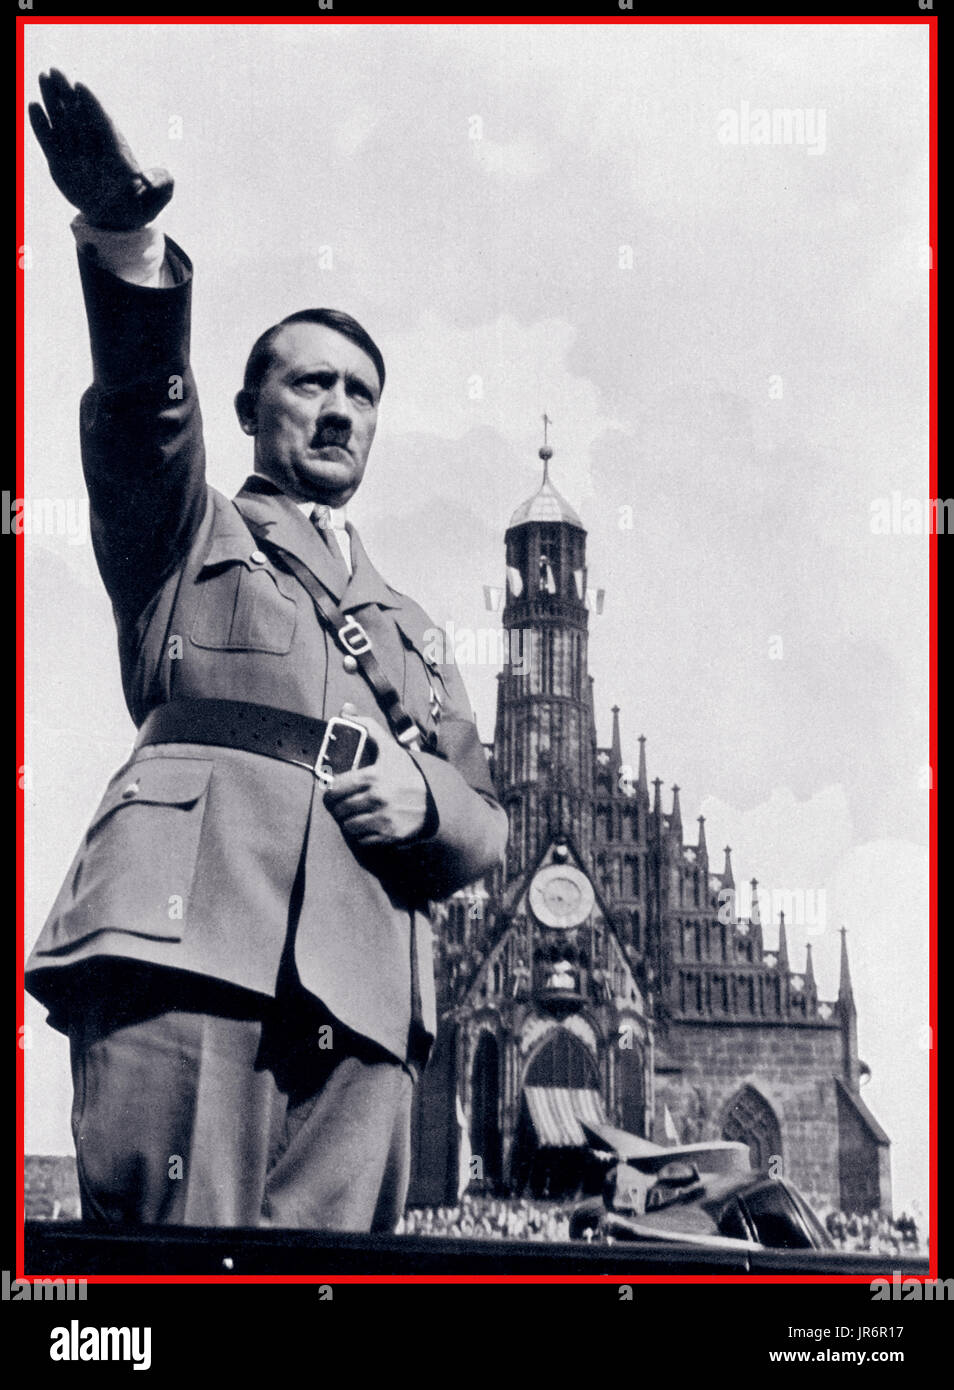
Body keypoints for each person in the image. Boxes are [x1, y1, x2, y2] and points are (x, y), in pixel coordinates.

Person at [25, 70, 507, 1233]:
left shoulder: (413, 626)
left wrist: (426, 800)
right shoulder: (186, 527)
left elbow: (487, 815)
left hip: (371, 997)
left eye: (362, 392)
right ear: (249, 408)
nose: (339, 408)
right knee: (173, 1278)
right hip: (195, 944)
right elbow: (145, 410)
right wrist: (127, 244)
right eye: (310, 383)